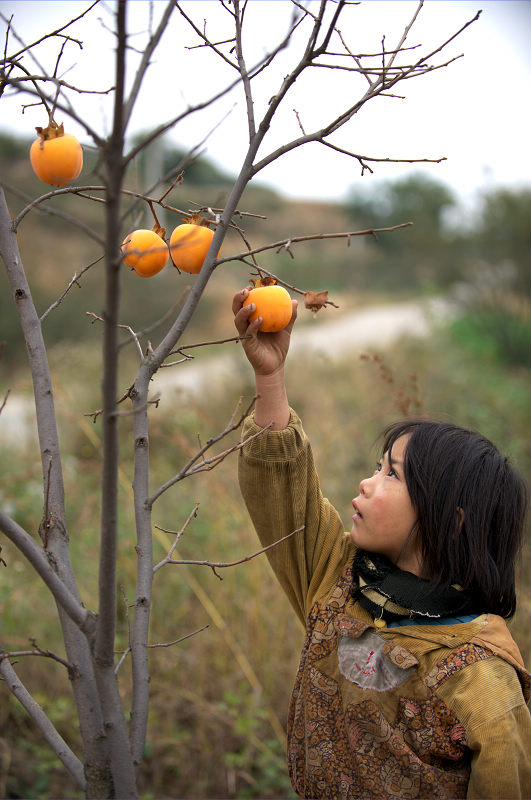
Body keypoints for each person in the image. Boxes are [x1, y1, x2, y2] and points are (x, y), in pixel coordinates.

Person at [232, 287, 531, 800]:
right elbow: (284, 493)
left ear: (450, 521)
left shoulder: (480, 682)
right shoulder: (339, 580)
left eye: (391, 475)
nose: (368, 482)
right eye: (376, 467)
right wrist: (269, 375)